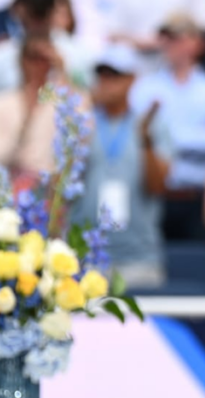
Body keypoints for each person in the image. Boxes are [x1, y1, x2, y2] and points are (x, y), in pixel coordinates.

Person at [129, 12, 205, 242]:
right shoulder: (144, 87)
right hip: (155, 195)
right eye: (165, 38)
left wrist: (162, 138)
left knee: (197, 268)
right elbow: (136, 138)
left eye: (177, 38)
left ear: (198, 44)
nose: (169, 45)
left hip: (199, 197)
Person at [74, 45, 171, 290]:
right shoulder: (82, 122)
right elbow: (63, 184)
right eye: (102, 75)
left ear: (131, 80)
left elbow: (157, 186)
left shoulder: (151, 124)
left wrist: (146, 140)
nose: (106, 83)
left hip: (139, 259)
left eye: (114, 76)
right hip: (86, 259)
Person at [0, 35, 71, 190]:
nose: (38, 65)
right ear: (22, 61)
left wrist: (63, 72)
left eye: (45, 59)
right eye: (33, 58)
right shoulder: (0, 103)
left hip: (51, 188)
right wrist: (26, 118)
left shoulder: (62, 102)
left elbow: (83, 132)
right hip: (11, 186)